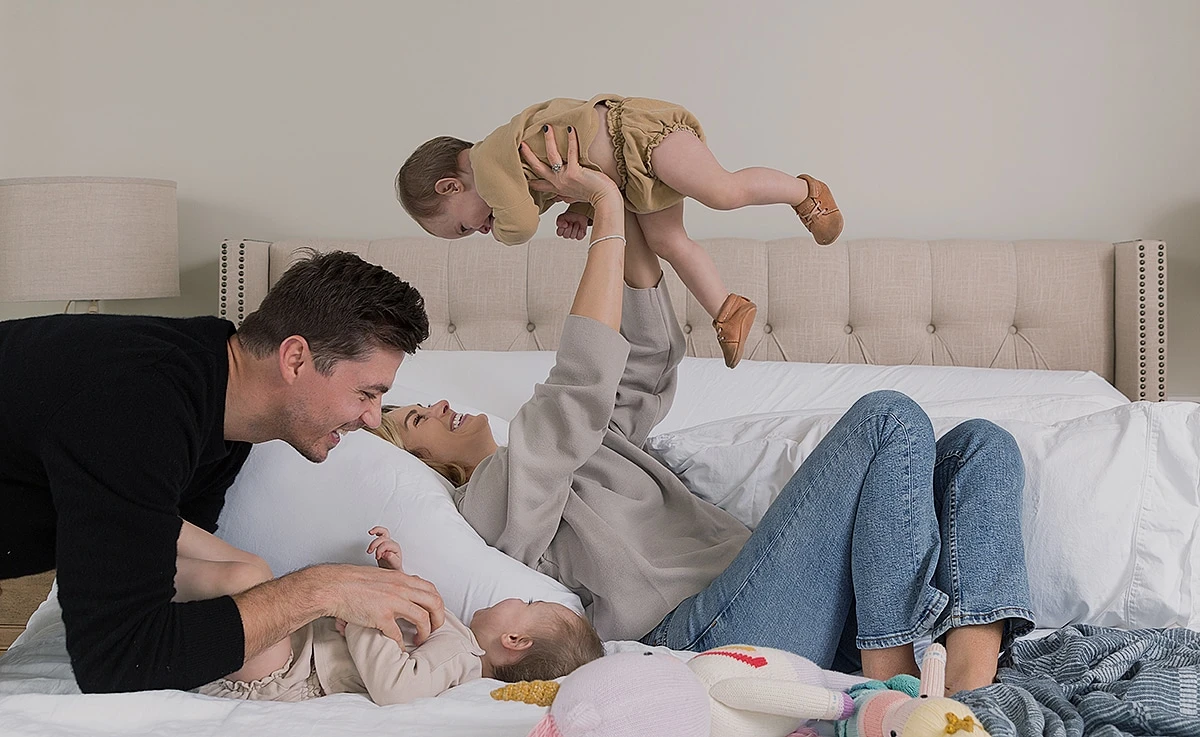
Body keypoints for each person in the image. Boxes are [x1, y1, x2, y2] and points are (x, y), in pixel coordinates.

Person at [381, 126, 1034, 695]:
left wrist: (622, 201)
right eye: (415, 419)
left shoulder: (570, 448)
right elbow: (577, 390)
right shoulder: (487, 504)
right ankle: (891, 689)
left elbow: (645, 362)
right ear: (428, 462)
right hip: (711, 637)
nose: (436, 404)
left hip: (792, 604)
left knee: (983, 445)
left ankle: (969, 691)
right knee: (887, 419)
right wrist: (604, 212)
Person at [0, 250, 447, 694]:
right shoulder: (143, 406)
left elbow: (164, 580)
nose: (373, 418)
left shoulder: (222, 407)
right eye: (366, 393)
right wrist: (324, 590)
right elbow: (117, 659)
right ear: (295, 359)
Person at [395, 94, 844, 368]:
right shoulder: (511, 168)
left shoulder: (489, 163)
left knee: (721, 192)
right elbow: (569, 173)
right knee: (667, 242)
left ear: (451, 186)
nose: (479, 230)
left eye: (463, 227)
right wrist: (579, 209)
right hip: (627, 178)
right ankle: (728, 310)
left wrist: (503, 233)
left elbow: (522, 225)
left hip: (639, 136)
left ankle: (805, 192)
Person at [186, 526, 603, 704]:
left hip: (288, 674)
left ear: (515, 641)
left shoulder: (461, 656)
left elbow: (397, 687)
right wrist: (391, 577)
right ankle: (153, 534)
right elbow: (399, 627)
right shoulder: (456, 639)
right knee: (248, 569)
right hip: (292, 649)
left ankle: (153, 538)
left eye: (528, 605)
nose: (516, 599)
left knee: (248, 575)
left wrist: (363, 619)